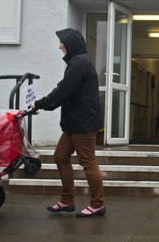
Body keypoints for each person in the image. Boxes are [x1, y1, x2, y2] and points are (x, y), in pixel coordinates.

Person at [31, 28, 106, 218]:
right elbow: (64, 88)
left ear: (70, 44)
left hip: (83, 122)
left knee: (88, 162)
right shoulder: (77, 62)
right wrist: (44, 103)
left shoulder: (79, 63)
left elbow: (64, 90)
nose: (59, 46)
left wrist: (41, 103)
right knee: (60, 156)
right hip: (74, 122)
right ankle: (67, 201)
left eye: (62, 42)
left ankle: (98, 204)